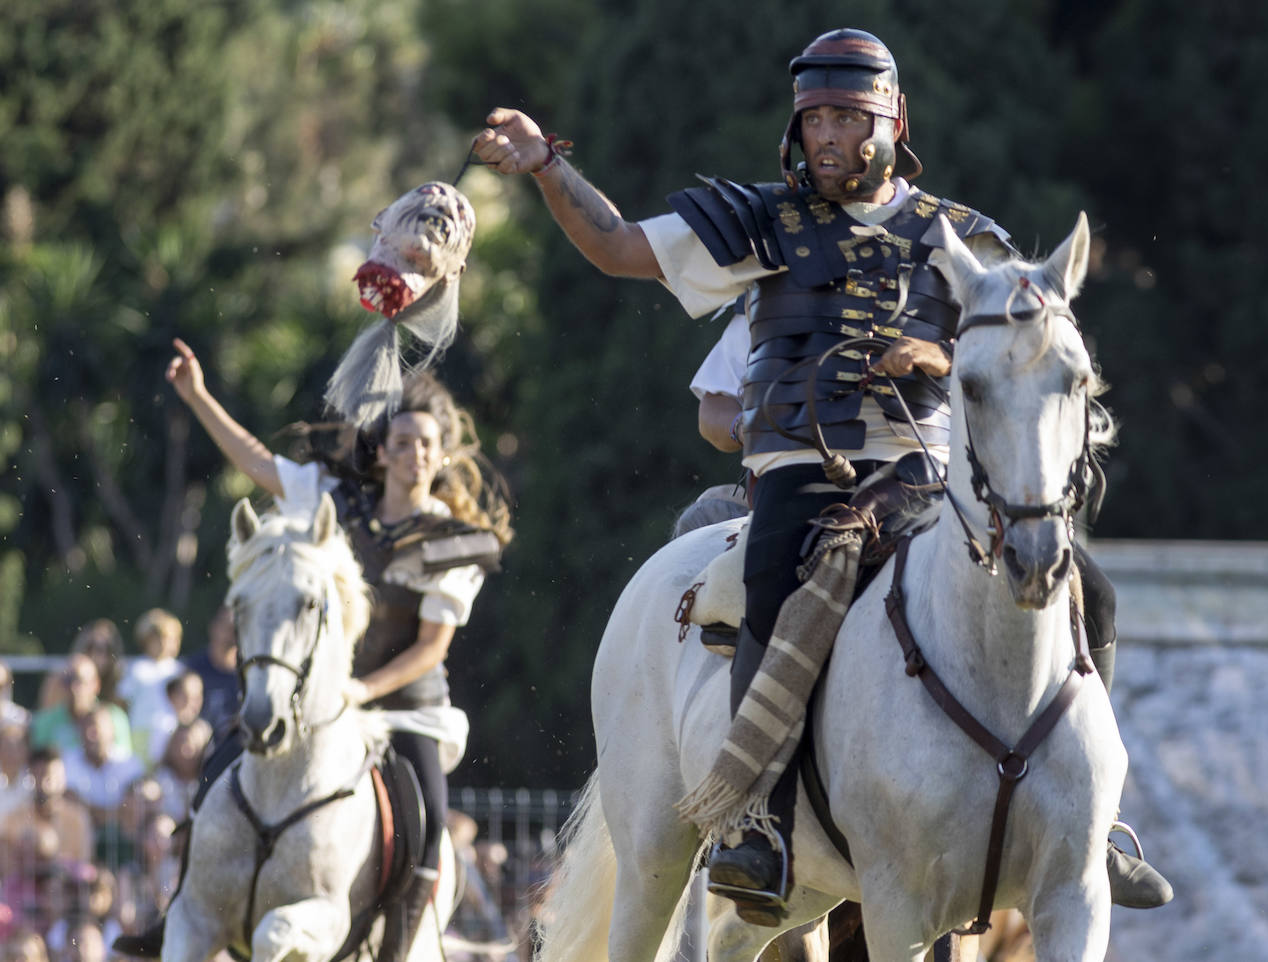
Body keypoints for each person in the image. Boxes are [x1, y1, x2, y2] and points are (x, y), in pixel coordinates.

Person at [474, 27, 1169, 922]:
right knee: (773, 575)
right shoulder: (761, 221)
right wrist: (545, 166)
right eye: (817, 120)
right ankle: (754, 820)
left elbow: (1023, 349)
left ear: (895, 120)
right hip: (808, 471)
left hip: (932, 470)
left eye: (852, 116)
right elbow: (615, 246)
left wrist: (934, 349)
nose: (833, 137)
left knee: (1093, 592)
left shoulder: (966, 240)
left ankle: (1095, 824)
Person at [114, 338, 512, 961]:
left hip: (405, 708)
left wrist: (362, 691)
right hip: (312, 697)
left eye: (426, 446)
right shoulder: (338, 500)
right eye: (402, 442)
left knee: (430, 825)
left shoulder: (453, 543)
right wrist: (197, 396)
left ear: (440, 457)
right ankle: (178, 914)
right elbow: (260, 465)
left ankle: (399, 948)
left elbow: (431, 649)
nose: (414, 455)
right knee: (223, 762)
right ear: (381, 452)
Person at [29, 655, 132, 759]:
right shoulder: (45, 723)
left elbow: (124, 763)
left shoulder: (115, 718)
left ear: (96, 685)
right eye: (68, 681)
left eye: (80, 681)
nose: (73, 688)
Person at [117, 610, 185, 766]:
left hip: (171, 733)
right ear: (146, 640)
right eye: (159, 638)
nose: (165, 643)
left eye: (171, 639)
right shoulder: (137, 669)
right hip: (141, 732)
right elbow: (122, 702)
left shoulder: (179, 670)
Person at [180, 606, 239, 739]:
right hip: (194, 748)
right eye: (227, 627)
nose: (231, 634)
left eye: (236, 629)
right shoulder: (192, 668)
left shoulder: (248, 674)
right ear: (213, 627)